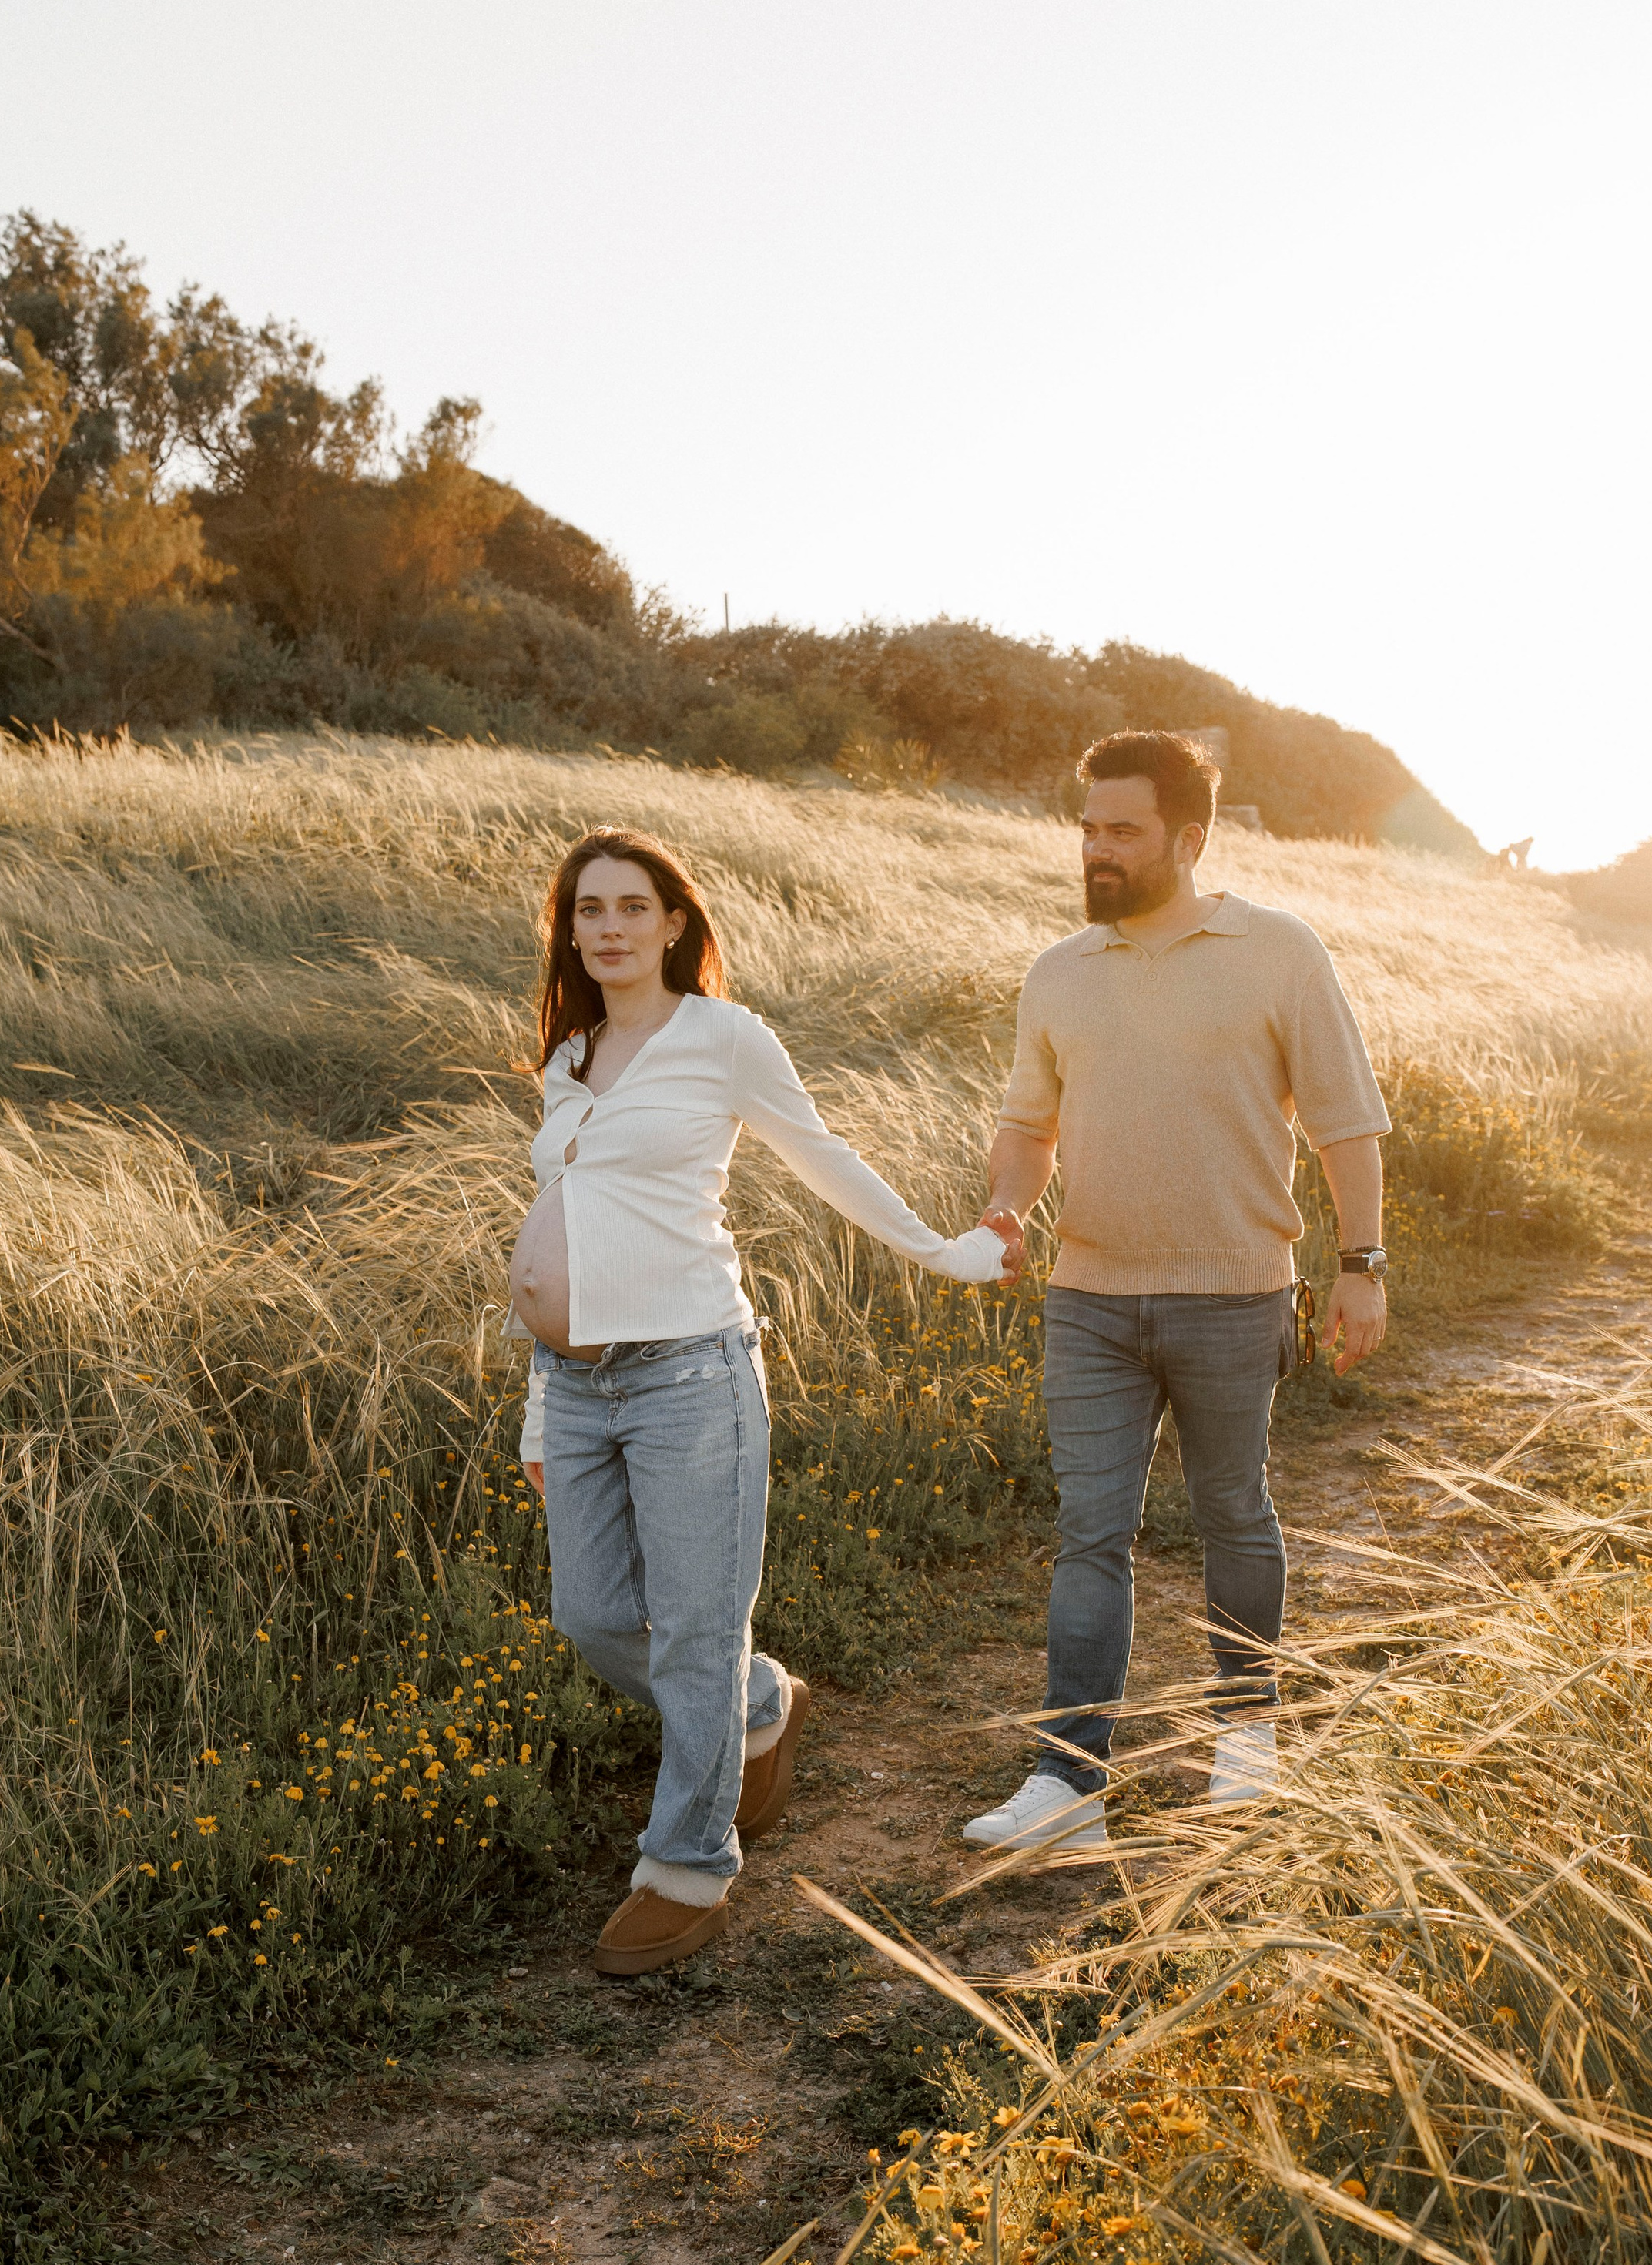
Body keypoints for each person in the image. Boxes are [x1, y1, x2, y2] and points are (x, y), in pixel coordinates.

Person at [509, 826, 1014, 1974]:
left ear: (675, 922)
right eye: (590, 910)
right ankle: (754, 1701)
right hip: (576, 1386)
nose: (611, 928)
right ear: (571, 930)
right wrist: (542, 1408)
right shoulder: (572, 1054)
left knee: (693, 1623)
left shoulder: (723, 1038)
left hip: (689, 1370)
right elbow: (558, 1230)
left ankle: (689, 1859)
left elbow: (820, 1153)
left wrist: (946, 1252)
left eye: (634, 906)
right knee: (592, 1615)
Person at [965, 732, 1390, 1858]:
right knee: (1087, 1535)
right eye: (1089, 830)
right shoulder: (1060, 969)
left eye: (1122, 832)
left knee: (1232, 1514)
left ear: (1188, 838)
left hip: (1235, 1296)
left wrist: (1363, 1265)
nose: (1097, 851)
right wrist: (1008, 1209)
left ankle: (1247, 1736)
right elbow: (1025, 1127)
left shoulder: (1279, 951)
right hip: (1090, 1300)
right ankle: (1070, 1784)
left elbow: (1347, 1119)